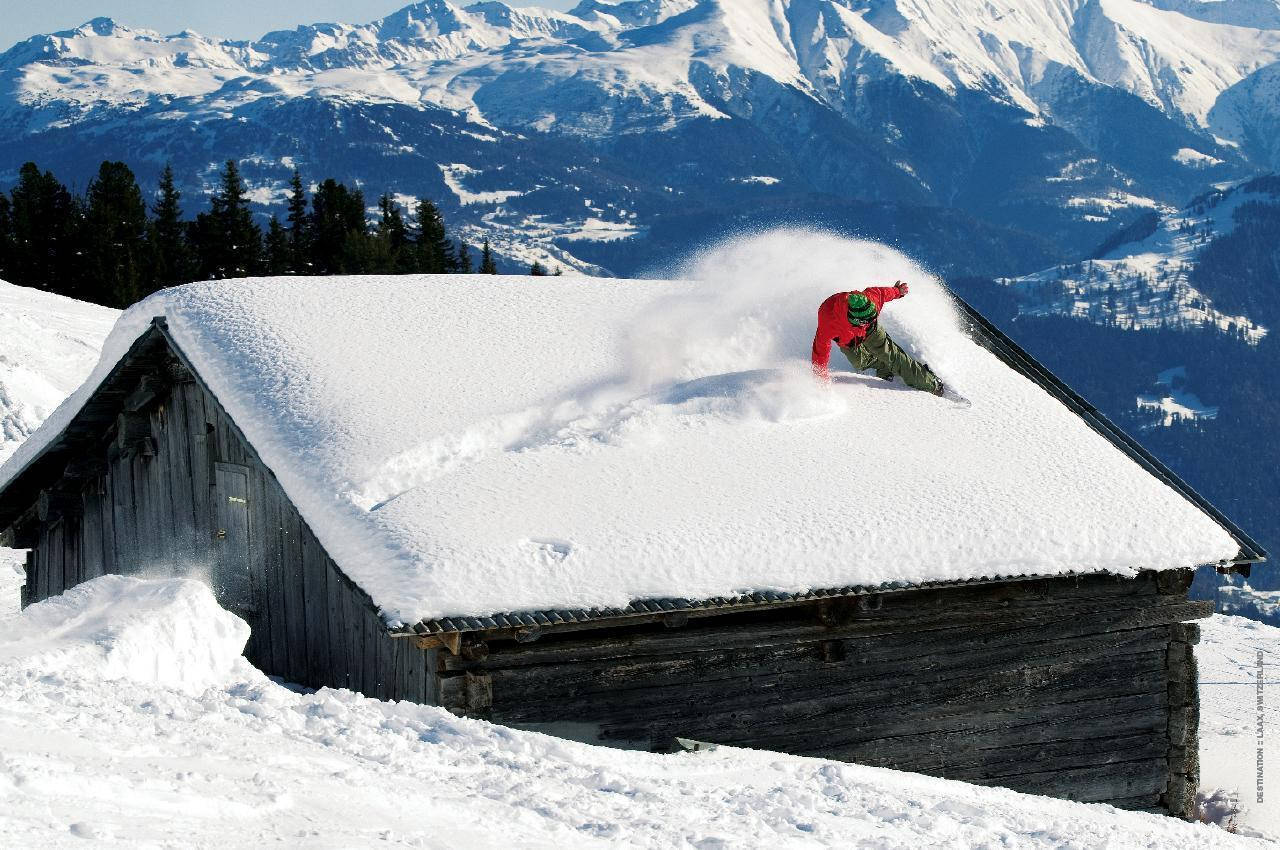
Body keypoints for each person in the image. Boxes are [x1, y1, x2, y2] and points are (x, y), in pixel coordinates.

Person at [810, 281, 944, 395]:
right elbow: (820, 351)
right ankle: (886, 368)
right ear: (854, 320)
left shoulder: (871, 299)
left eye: (873, 317)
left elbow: (884, 293)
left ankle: (931, 383)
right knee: (859, 362)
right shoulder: (828, 319)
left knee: (891, 355)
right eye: (866, 321)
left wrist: (898, 291)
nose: (870, 321)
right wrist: (821, 380)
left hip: (871, 332)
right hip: (847, 339)